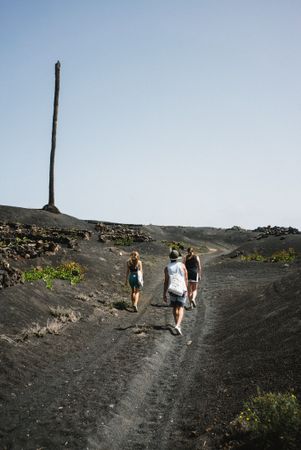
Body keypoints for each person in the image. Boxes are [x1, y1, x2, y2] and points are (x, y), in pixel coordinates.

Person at [163, 249, 188, 335]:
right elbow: (186, 278)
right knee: (181, 307)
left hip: (172, 289)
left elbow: (166, 281)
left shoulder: (167, 267)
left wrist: (164, 293)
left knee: (174, 307)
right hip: (181, 289)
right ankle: (178, 325)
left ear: (170, 257)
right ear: (178, 257)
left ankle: (177, 325)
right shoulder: (182, 265)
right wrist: (186, 288)